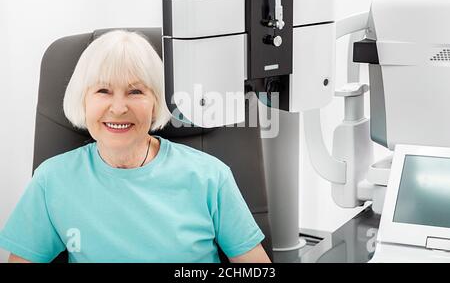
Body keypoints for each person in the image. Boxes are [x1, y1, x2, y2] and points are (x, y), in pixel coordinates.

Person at [0, 30, 271, 263]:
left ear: (157, 102)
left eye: (136, 92)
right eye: (103, 91)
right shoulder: (53, 180)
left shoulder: (210, 177)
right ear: (82, 100)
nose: (118, 108)